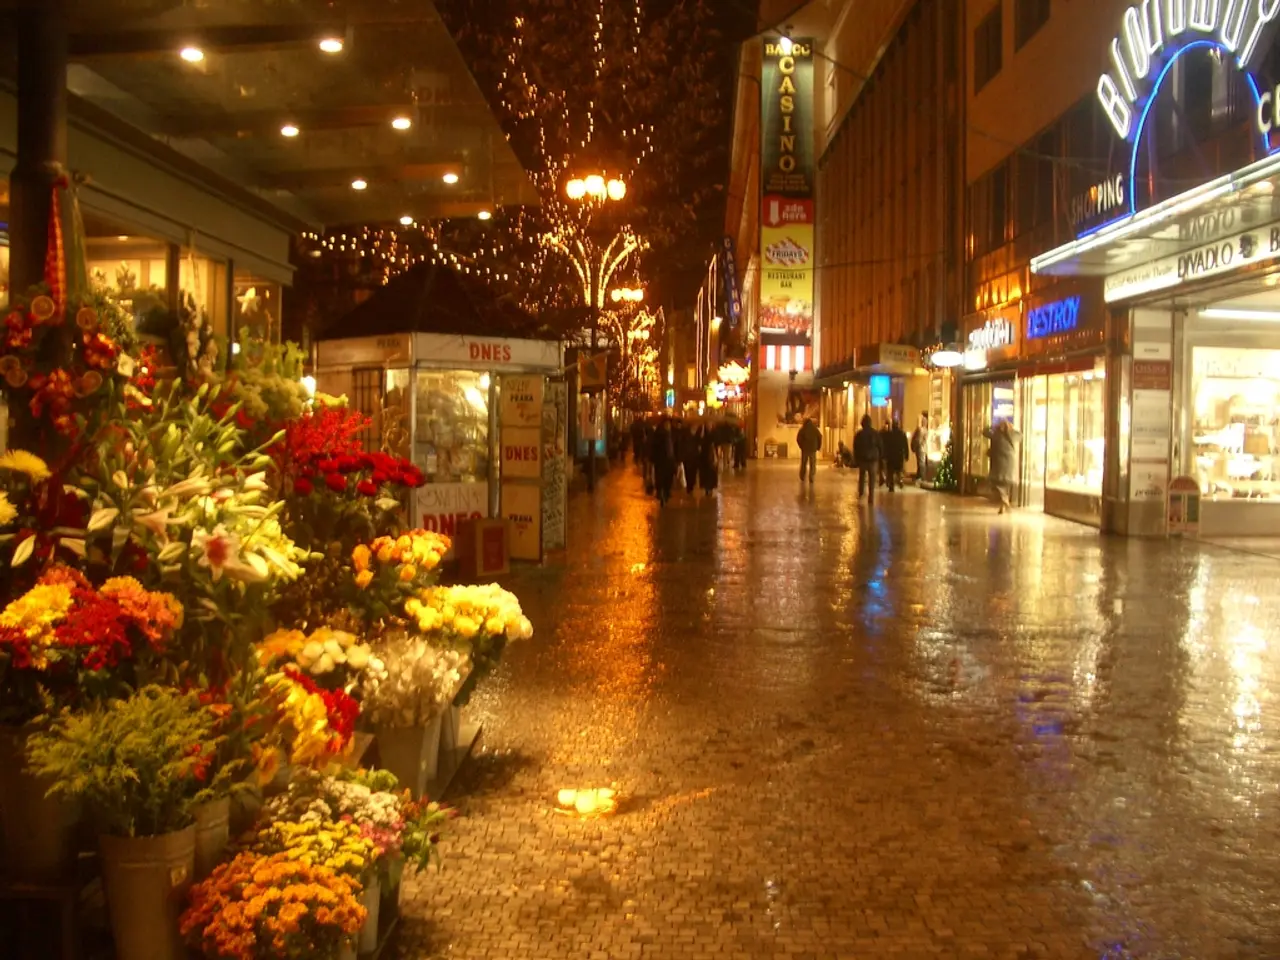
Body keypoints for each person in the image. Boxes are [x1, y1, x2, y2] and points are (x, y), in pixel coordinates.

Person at [983, 419, 1022, 514]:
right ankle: (1003, 507)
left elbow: (985, 432)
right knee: (1005, 485)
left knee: (997, 484)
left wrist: (993, 426)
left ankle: (1005, 502)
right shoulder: (1013, 435)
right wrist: (1011, 428)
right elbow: (1020, 435)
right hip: (1009, 463)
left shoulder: (996, 435)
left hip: (999, 464)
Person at [853, 414, 883, 504]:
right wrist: (880, 457)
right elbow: (880, 446)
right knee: (872, 478)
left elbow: (856, 447)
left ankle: (861, 493)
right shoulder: (875, 433)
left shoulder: (859, 434)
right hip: (873, 459)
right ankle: (871, 496)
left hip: (863, 459)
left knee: (862, 476)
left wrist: (856, 459)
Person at [650, 419, 676, 506]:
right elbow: (653, 447)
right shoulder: (659, 435)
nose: (668, 426)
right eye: (666, 425)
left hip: (669, 461)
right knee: (661, 478)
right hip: (661, 461)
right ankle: (662, 493)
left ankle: (664, 493)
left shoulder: (671, 434)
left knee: (667, 478)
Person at [884, 418, 910, 492]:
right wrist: (906, 455)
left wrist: (885, 455)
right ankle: (900, 481)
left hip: (891, 456)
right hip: (899, 455)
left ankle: (891, 486)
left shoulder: (889, 434)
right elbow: (905, 445)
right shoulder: (902, 433)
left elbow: (886, 445)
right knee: (899, 471)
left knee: (891, 472)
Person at [677, 419, 701, 495]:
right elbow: (681, 444)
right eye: (694, 425)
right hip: (687, 456)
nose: (696, 427)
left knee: (694, 472)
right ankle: (689, 487)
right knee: (687, 471)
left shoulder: (698, 434)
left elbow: (700, 443)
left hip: (695, 456)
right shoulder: (685, 433)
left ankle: (692, 484)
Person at [797, 417, 821, 483]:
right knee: (812, 464)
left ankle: (802, 476)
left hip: (805, 449)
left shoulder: (803, 429)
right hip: (813, 449)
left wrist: (801, 446)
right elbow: (820, 437)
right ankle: (811, 477)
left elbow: (798, 438)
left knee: (804, 463)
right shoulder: (815, 429)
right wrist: (818, 447)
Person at [697, 424, 719, 495]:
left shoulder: (714, 432)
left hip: (712, 454)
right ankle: (706, 487)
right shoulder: (702, 432)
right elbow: (700, 441)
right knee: (705, 471)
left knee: (712, 471)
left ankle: (711, 487)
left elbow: (717, 442)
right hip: (704, 455)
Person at [911, 414, 929, 482]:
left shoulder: (920, 430)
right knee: (921, 463)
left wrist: (915, 447)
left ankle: (922, 478)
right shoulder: (926, 430)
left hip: (920, 448)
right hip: (924, 448)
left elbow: (918, 440)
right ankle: (920, 476)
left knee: (921, 463)